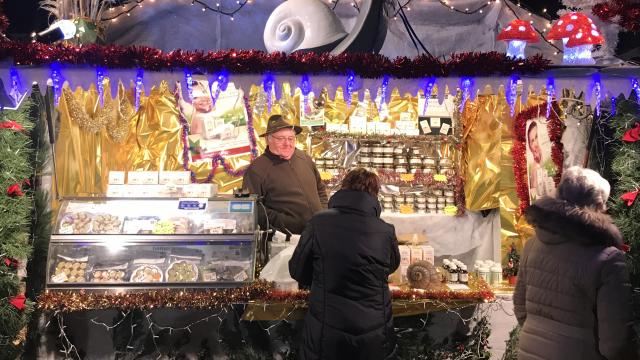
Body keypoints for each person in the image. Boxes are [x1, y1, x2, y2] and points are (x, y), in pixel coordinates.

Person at [514, 166, 638, 360]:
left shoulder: (532, 245)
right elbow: (615, 342)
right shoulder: (608, 259)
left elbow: (520, 308)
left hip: (530, 351)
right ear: (598, 204)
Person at [289, 168, 400, 360]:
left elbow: (298, 270)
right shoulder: (385, 230)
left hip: (327, 330)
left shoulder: (318, 223)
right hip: (374, 332)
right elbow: (391, 266)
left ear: (343, 188)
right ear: (375, 194)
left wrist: (322, 276)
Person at [242, 114, 328, 235]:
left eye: (291, 138)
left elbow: (320, 189)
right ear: (268, 139)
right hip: (287, 239)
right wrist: (284, 222)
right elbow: (252, 208)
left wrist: (323, 214)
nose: (287, 143)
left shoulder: (304, 158)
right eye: (281, 138)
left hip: (319, 232)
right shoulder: (257, 169)